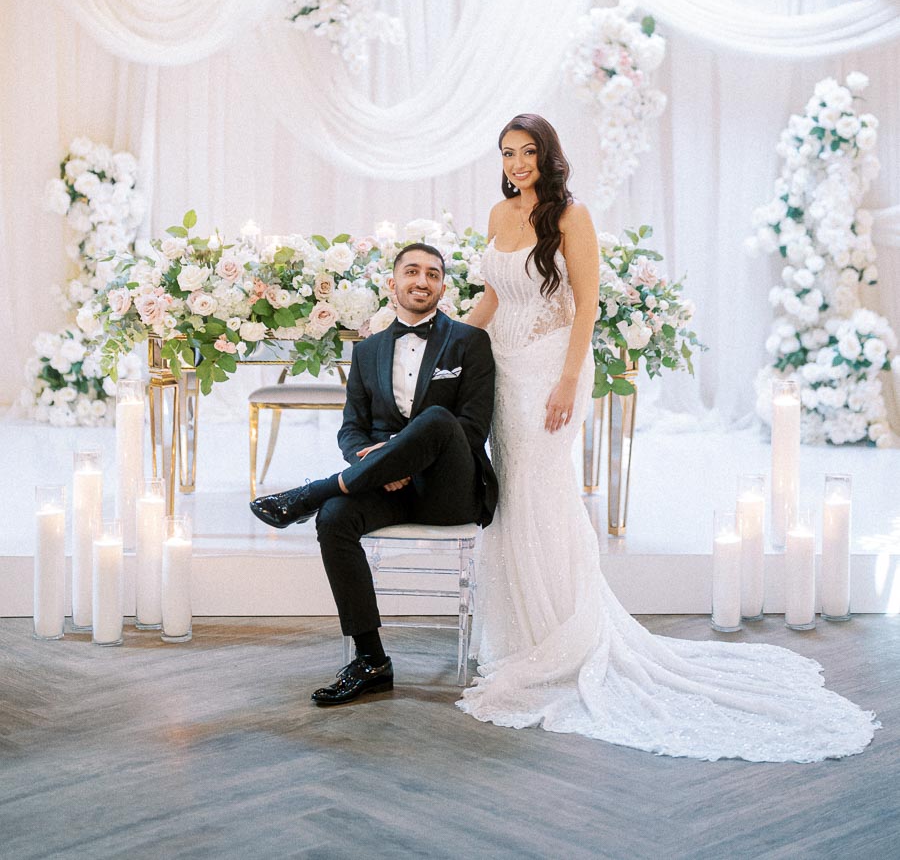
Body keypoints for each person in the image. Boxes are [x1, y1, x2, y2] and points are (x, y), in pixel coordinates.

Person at [457, 112, 878, 761]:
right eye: (508, 152)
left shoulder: (571, 217)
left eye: (528, 151)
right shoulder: (498, 212)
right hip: (505, 369)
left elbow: (588, 305)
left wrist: (569, 380)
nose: (517, 163)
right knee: (513, 493)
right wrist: (444, 340)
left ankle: (563, 630)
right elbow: (493, 297)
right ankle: (525, 635)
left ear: (548, 154)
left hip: (550, 368)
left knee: (542, 489)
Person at [250, 242, 497, 706]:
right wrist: (377, 463)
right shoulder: (367, 351)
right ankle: (371, 660)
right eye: (412, 271)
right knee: (335, 517)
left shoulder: (470, 342)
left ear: (443, 287)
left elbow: (472, 429)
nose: (422, 281)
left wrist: (402, 454)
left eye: (433, 274)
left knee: (438, 419)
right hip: (386, 489)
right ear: (392, 283)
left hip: (449, 491)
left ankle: (311, 493)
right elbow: (351, 431)